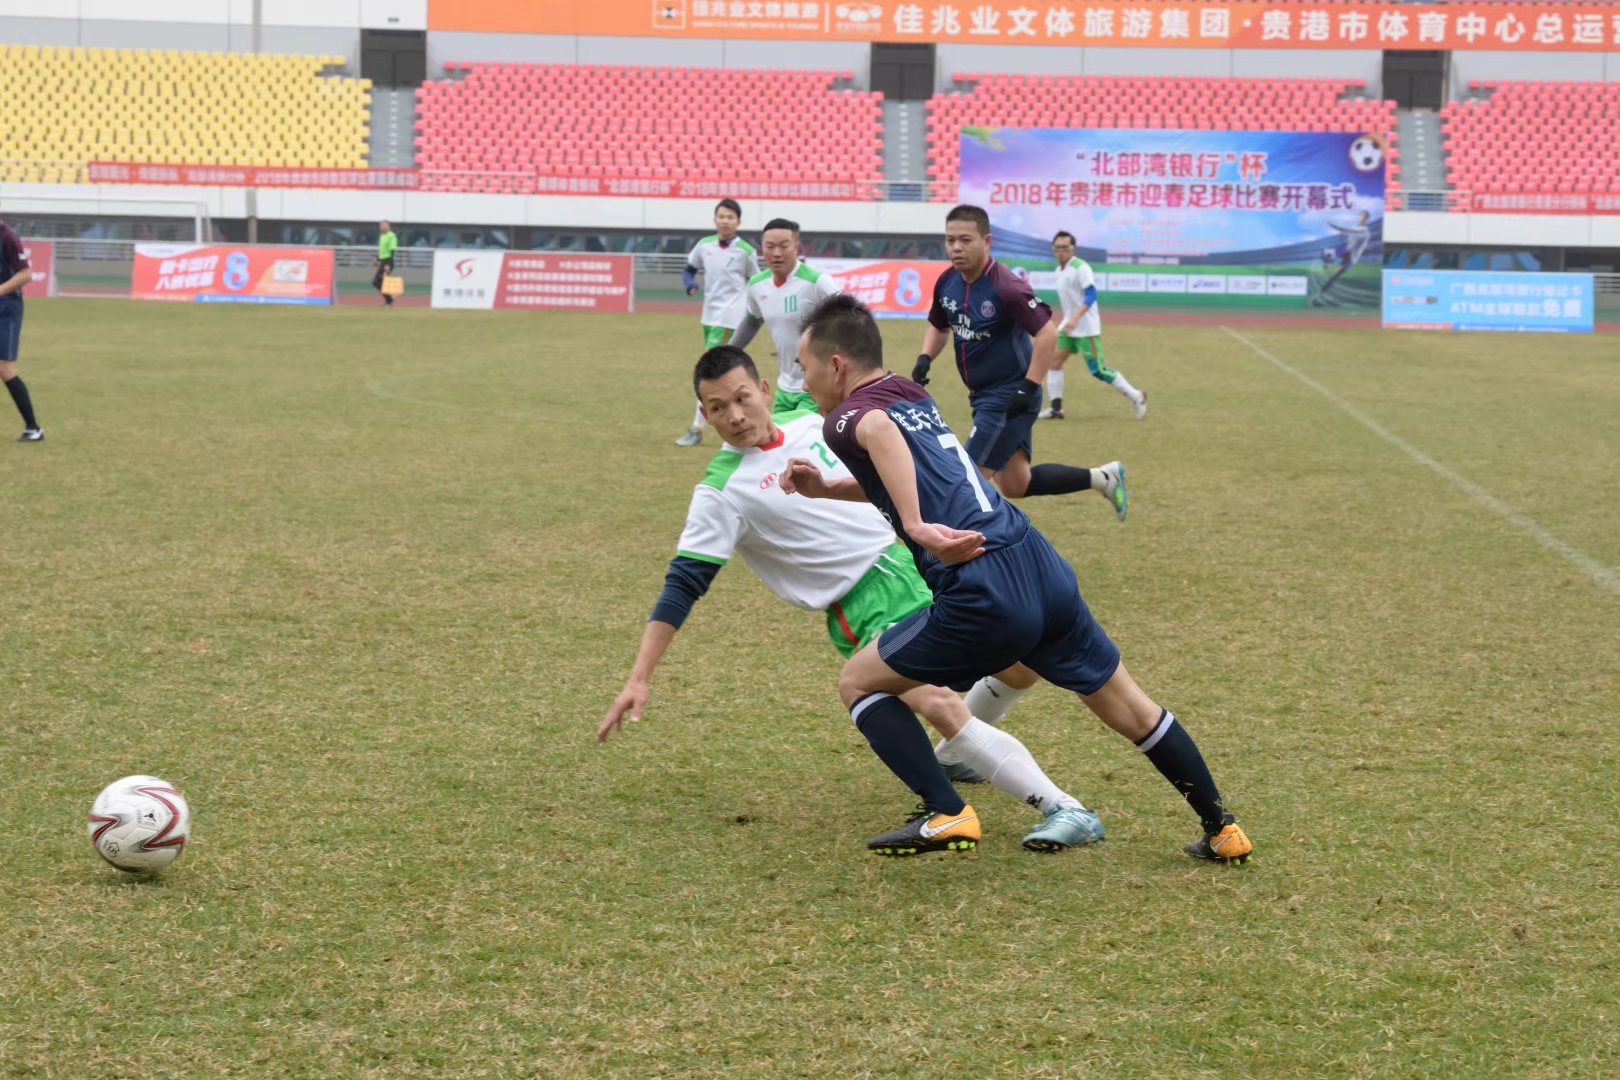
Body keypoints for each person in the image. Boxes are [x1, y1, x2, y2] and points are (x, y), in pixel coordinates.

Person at [785, 294, 1253, 865]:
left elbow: (879, 436)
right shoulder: (911, 393)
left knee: (860, 682)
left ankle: (945, 809)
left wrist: (915, 526)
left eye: (805, 367)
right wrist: (829, 489)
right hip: (1038, 561)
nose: (803, 381)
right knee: (1131, 708)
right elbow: (906, 466)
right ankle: (1222, 828)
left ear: (836, 365)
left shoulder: (849, 417)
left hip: (980, 580)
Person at [598, 345, 1105, 855]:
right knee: (936, 700)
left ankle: (956, 755)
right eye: (716, 407)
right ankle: (1060, 806)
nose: (734, 416)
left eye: (742, 398)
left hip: (916, 561)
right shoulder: (720, 491)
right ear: (704, 415)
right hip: (864, 601)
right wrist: (639, 677)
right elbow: (684, 582)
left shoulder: (806, 413)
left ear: (766, 391)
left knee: (1021, 669)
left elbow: (855, 390)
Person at [910, 205, 1128, 522]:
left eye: (965, 240)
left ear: (986, 241)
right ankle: (1104, 478)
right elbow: (939, 325)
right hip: (983, 395)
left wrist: (1028, 387)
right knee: (1015, 483)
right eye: (950, 240)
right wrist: (924, 358)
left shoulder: (1006, 285)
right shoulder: (947, 282)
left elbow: (1047, 333)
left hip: (1009, 395)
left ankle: (963, 555)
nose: (956, 247)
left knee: (963, 481)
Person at [728, 218, 841, 419]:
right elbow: (753, 320)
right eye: (770, 246)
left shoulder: (818, 283)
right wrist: (726, 353)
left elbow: (853, 321)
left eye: (783, 246)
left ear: (796, 247)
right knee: (781, 445)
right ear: (762, 248)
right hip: (784, 388)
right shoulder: (757, 285)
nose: (776, 253)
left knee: (806, 443)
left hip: (816, 388)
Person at [676, 199, 759, 447]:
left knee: (709, 371)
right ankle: (751, 417)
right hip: (709, 316)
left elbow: (756, 280)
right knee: (730, 372)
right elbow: (689, 269)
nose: (725, 221)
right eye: (721, 216)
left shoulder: (745, 250)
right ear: (715, 220)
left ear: (738, 222)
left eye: (730, 217)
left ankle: (697, 428)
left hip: (731, 317)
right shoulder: (704, 246)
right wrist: (690, 284)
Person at [1041, 231, 1145, 421]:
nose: (1061, 251)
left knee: (1098, 370)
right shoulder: (1059, 271)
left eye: (1065, 247)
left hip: (1086, 328)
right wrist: (1068, 320)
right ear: (1053, 250)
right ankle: (1056, 409)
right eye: (1058, 247)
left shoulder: (1081, 268)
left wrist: (1075, 318)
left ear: (1073, 249)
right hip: (1068, 327)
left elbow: (1091, 295)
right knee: (1053, 362)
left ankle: (1136, 396)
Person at [0, 217, 41, 442]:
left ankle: (33, 428)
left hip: (7, 308)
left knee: (5, 369)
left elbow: (25, 274)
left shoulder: (7, 236)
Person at [1313, 210, 1372, 306]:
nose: (1360, 218)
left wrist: (1333, 225)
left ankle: (1318, 295)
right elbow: (1348, 234)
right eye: (1360, 216)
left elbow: (1348, 230)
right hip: (1345, 249)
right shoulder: (1356, 227)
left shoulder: (1365, 231)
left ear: (1367, 219)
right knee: (1327, 252)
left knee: (1335, 276)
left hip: (1351, 257)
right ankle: (1327, 264)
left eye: (1363, 217)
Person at [372, 220, 397, 307]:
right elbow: (382, 251)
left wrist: (388, 265)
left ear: (388, 226)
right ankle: (389, 300)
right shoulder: (382, 236)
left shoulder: (391, 236)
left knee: (377, 281)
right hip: (382, 262)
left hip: (388, 261)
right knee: (378, 282)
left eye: (383, 225)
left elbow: (392, 251)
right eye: (380, 226)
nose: (381, 227)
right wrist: (376, 259)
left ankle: (389, 300)